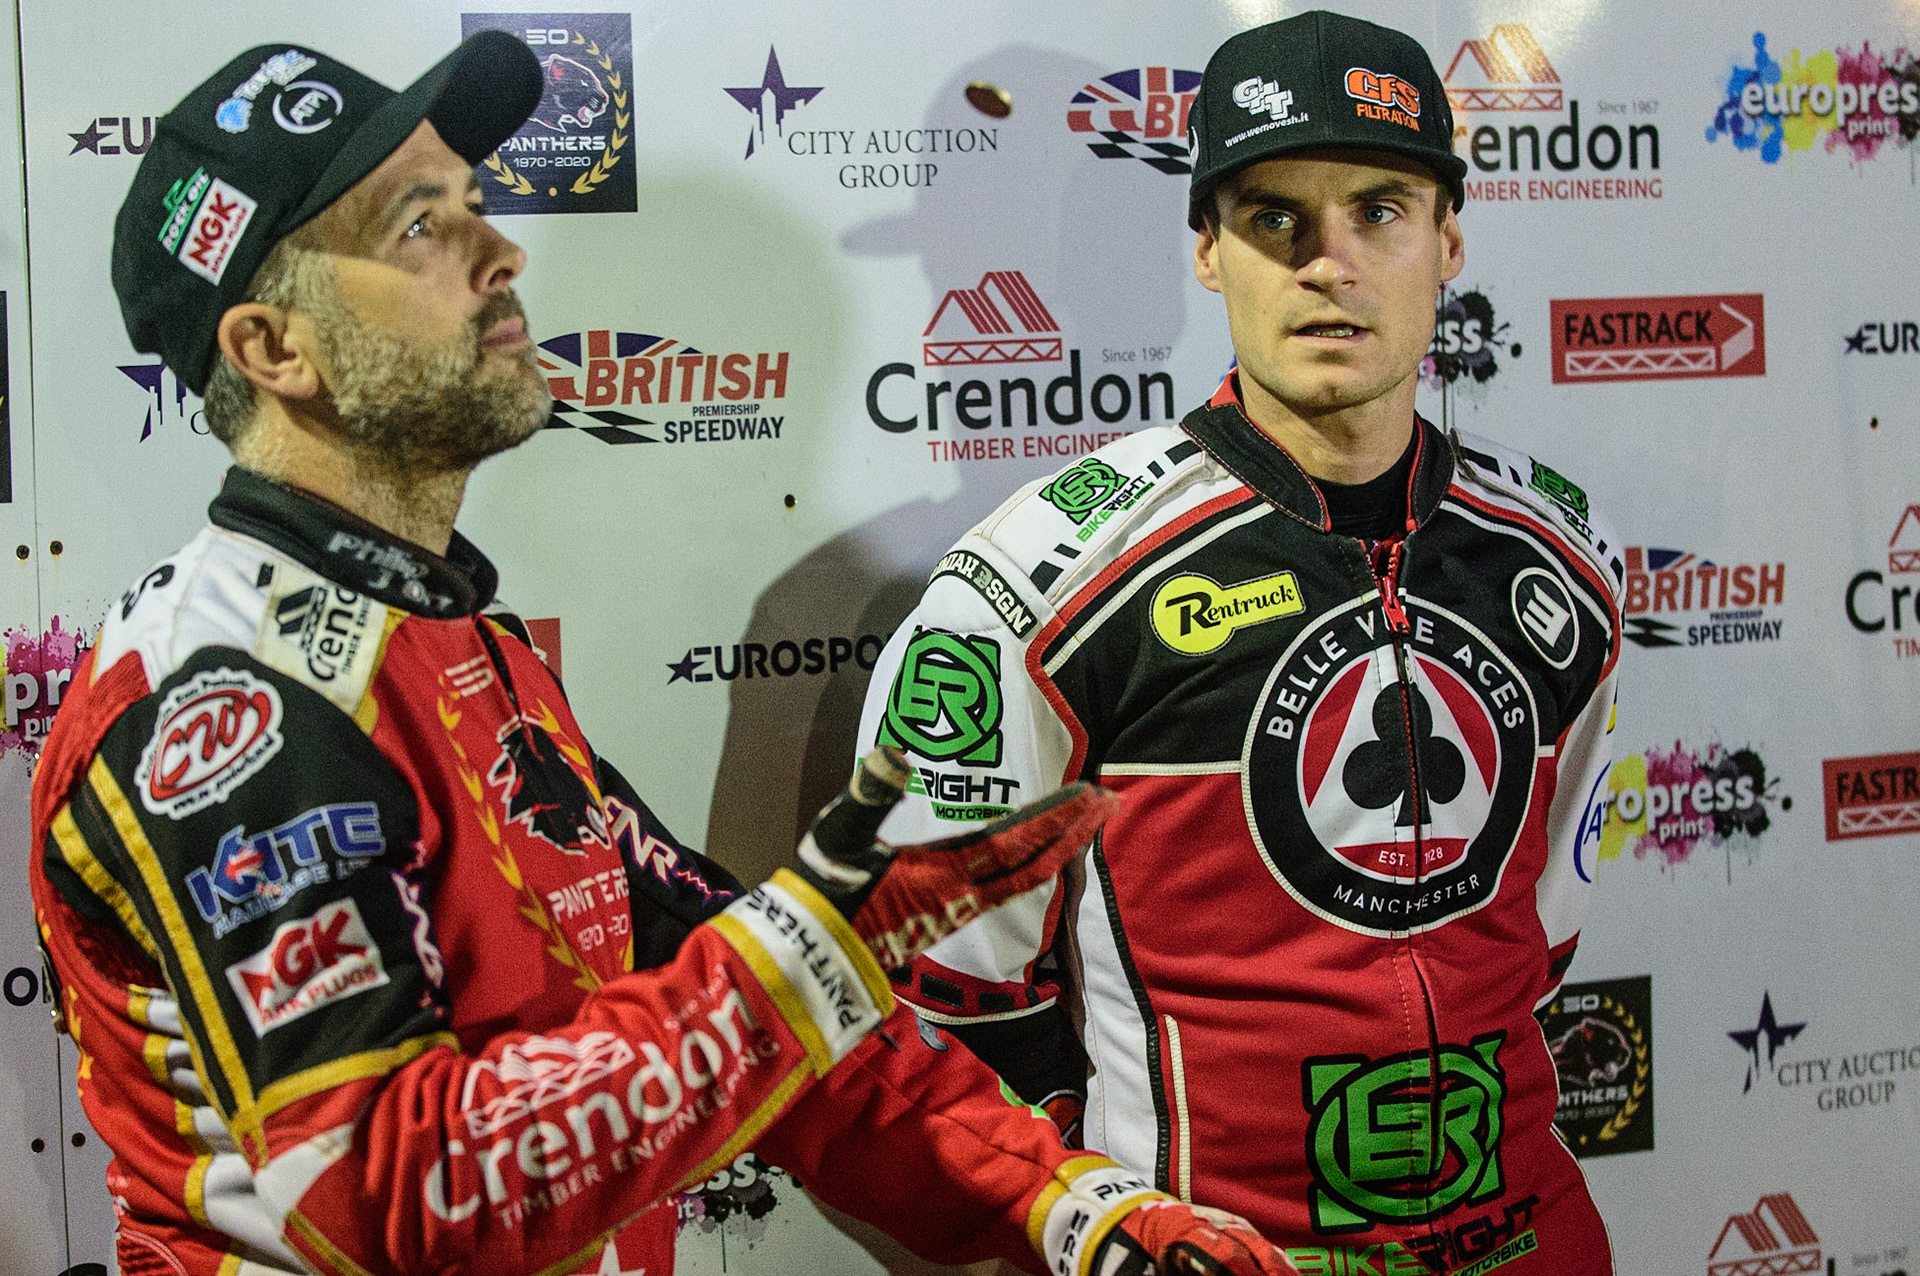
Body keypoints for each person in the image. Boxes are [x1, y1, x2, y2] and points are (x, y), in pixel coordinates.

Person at [29, 33, 1300, 1276]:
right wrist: (813, 953)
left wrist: (1077, 1216)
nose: (503, 252)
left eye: (474, 203)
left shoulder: (466, 650)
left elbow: (765, 1012)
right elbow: (394, 1193)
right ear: (273, 350)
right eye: (420, 227)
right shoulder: (225, 703)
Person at [860, 11, 1626, 1274]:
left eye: (1379, 210)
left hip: (1531, 1241)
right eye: (1277, 219)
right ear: (1207, 250)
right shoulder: (1041, 588)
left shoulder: (1558, 564)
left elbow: (1539, 942)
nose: (1330, 262)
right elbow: (939, 1004)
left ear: (1449, 241)